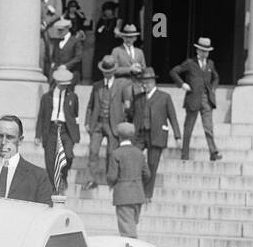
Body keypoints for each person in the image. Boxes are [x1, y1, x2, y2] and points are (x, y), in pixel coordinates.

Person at [0, 115, 54, 205]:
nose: (3, 142)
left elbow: (45, 215)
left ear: (20, 140)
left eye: (10, 137)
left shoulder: (39, 177)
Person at [131, 66, 180, 200]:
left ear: (153, 82)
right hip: (140, 134)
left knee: (152, 165)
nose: (144, 85)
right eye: (142, 82)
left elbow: (173, 117)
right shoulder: (138, 98)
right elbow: (130, 115)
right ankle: (135, 186)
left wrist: (177, 136)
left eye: (146, 82)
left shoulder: (164, 97)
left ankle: (147, 194)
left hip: (157, 134)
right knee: (133, 157)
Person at [170, 37, 222, 162]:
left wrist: (213, 89)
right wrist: (182, 84)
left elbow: (216, 77)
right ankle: (185, 154)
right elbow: (174, 72)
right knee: (188, 127)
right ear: (198, 50)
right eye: (202, 50)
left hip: (206, 99)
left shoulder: (210, 64)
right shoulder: (190, 63)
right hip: (193, 98)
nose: (205, 53)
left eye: (207, 51)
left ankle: (213, 152)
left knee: (208, 127)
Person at [83, 55, 127, 191]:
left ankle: (111, 180)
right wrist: (87, 121)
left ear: (113, 72)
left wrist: (123, 122)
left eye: (109, 72)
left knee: (111, 153)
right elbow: (90, 105)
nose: (106, 75)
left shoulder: (121, 85)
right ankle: (92, 180)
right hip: (97, 123)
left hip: (113, 124)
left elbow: (126, 106)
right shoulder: (97, 86)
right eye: (105, 72)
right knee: (93, 151)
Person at [35, 66, 81, 197]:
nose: (65, 87)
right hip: (51, 129)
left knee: (69, 155)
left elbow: (76, 116)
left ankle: (63, 174)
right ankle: (55, 186)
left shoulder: (73, 96)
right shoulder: (46, 97)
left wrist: (76, 135)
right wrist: (38, 135)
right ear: (56, 83)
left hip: (66, 130)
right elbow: (41, 117)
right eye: (62, 85)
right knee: (50, 161)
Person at [107, 121, 150, 238]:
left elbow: (112, 176)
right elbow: (147, 174)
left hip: (123, 195)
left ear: (119, 136)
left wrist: (111, 184)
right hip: (138, 194)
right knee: (132, 225)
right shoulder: (139, 153)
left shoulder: (116, 154)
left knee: (127, 232)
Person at [40, 0, 63, 70]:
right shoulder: (40, 1)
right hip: (42, 33)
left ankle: (52, 78)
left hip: (53, 32)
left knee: (52, 56)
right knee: (43, 56)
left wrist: (45, 23)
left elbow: (58, 13)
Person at [92, 1, 122, 69]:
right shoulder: (101, 21)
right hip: (101, 47)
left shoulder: (117, 21)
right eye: (105, 10)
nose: (107, 12)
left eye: (109, 10)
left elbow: (118, 36)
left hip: (112, 46)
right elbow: (97, 34)